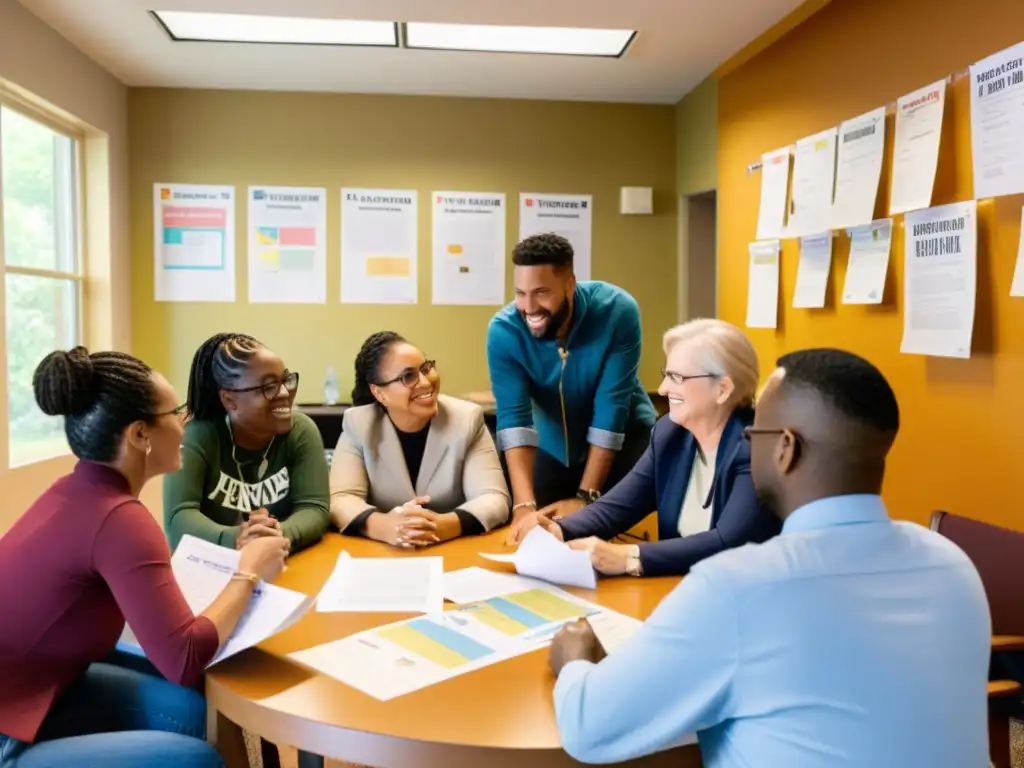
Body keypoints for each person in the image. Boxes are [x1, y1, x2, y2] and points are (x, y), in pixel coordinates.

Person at [547, 348, 990, 767]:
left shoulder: (738, 589)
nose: (746, 443)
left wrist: (574, 659)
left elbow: (590, 729)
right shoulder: (952, 564)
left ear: (785, 448)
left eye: (753, 432)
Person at [0, 347, 289, 767]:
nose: (184, 422)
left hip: (40, 691)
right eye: (175, 412)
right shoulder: (120, 519)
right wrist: (247, 573)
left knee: (193, 711)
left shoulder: (74, 489)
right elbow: (185, 659)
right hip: (8, 734)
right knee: (196, 757)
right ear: (140, 434)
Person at [520, 319, 778, 577]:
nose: (664, 389)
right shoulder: (670, 435)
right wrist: (559, 530)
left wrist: (630, 556)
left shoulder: (755, 449)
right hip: (676, 589)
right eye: (666, 375)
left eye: (677, 378)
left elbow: (728, 543)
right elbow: (617, 507)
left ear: (722, 389)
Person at [488, 234, 657, 543]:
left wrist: (587, 496)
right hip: (553, 444)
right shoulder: (504, 330)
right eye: (520, 293)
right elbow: (514, 419)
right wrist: (523, 507)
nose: (529, 307)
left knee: (614, 531)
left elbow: (612, 407)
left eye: (540, 292)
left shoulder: (617, 310)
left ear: (570, 285)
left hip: (625, 439)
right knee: (543, 531)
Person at [331, 332, 510, 547]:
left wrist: (444, 525)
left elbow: (494, 498)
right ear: (379, 393)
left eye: (426, 368)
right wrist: (384, 526)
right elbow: (341, 498)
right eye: (408, 376)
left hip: (453, 547)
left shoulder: (467, 419)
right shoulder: (358, 424)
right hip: (382, 552)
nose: (426, 382)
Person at [164, 333, 330, 554]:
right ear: (230, 400)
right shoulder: (196, 437)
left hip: (286, 561)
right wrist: (238, 538)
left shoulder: (301, 431)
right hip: (215, 569)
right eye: (269, 386)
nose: (284, 393)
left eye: (286, 380)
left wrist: (277, 535)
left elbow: (314, 507)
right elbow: (179, 518)